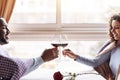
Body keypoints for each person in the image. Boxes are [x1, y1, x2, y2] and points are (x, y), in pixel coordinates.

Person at [62, 14, 120, 80]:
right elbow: (95, 62)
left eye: (117, 28)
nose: (112, 31)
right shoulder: (112, 45)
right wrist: (75, 56)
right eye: (112, 28)